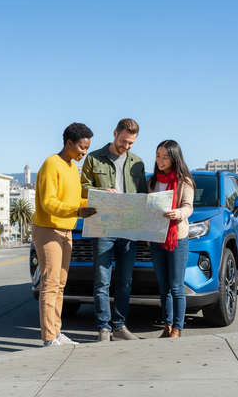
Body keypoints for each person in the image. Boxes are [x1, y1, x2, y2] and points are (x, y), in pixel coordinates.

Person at [81, 118, 148, 342]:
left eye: (131, 143)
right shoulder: (93, 158)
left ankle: (119, 326)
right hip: (103, 226)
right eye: (123, 141)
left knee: (125, 281)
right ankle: (103, 328)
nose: (126, 146)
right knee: (102, 280)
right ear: (115, 133)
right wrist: (103, 191)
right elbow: (83, 188)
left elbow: (143, 195)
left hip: (128, 227)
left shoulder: (138, 162)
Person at [31, 123, 97, 347]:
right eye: (81, 147)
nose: (84, 152)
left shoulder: (71, 167)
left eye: (87, 148)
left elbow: (74, 201)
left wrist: (100, 201)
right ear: (69, 143)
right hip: (48, 228)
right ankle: (49, 338)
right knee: (50, 283)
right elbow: (48, 203)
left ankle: (56, 333)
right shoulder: (52, 164)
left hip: (66, 229)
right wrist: (77, 211)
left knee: (60, 283)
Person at [148, 140, 195, 338]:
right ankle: (167, 326)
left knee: (176, 286)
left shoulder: (185, 180)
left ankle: (177, 328)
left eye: (165, 156)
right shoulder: (152, 181)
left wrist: (178, 213)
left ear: (174, 158)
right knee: (163, 285)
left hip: (177, 237)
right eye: (158, 156)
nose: (160, 160)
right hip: (156, 237)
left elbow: (188, 206)